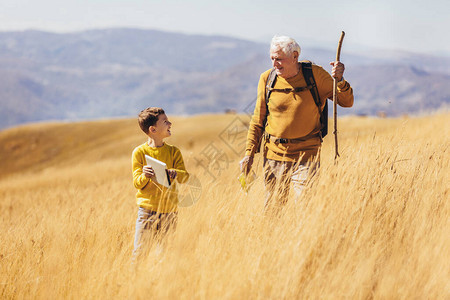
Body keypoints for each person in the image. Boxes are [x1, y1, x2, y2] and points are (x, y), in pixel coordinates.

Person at [240, 35, 354, 211]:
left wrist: (340, 80)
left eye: (279, 59)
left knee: (305, 209)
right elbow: (258, 119)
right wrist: (249, 153)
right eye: (272, 58)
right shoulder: (267, 79)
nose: (274, 64)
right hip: (274, 156)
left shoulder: (315, 75)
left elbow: (347, 102)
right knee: (273, 211)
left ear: (295, 56)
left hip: (306, 155)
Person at [131, 107, 189, 262]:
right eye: (165, 121)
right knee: (140, 253)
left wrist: (175, 173)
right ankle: (133, 282)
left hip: (170, 212)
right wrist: (145, 176)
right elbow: (137, 183)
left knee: (165, 255)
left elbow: (185, 177)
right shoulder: (139, 153)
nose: (170, 123)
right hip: (147, 212)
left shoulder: (173, 152)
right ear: (153, 129)